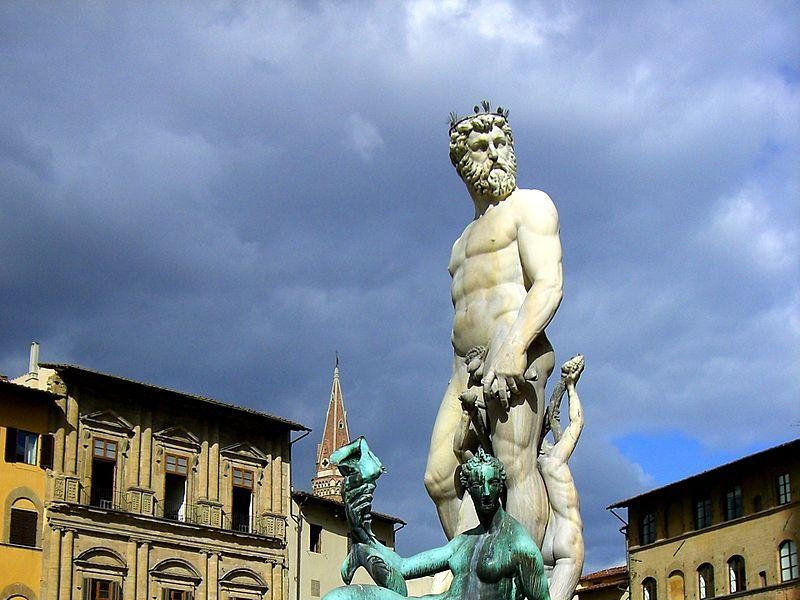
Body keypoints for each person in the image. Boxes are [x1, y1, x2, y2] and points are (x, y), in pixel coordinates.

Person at [424, 102, 564, 550]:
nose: (496, 152)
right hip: (464, 369)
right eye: (482, 146)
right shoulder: (460, 243)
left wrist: (515, 346)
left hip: (516, 349)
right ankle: (474, 569)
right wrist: (462, 379)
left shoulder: (530, 206)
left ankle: (520, 574)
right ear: (462, 162)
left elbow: (549, 283)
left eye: (501, 143)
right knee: (440, 477)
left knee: (514, 466)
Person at [323, 450, 551, 600]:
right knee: (340, 597)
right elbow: (404, 567)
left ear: (500, 486)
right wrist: (363, 534)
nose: (486, 492)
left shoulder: (519, 546)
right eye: (478, 484)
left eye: (492, 483)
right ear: (469, 488)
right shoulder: (463, 542)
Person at [538, 355, 585, 600]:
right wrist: (571, 387)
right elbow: (577, 423)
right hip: (567, 535)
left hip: (543, 542)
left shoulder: (530, 468)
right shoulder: (555, 459)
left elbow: (552, 418)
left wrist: (560, 388)